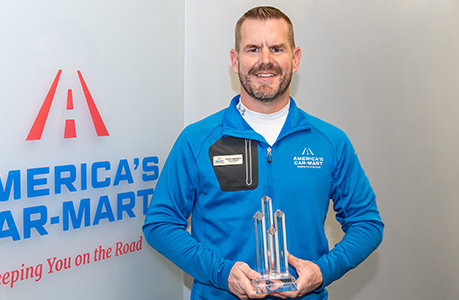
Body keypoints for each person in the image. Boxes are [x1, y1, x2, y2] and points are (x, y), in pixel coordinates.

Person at [142, 6, 384, 300]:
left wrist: (323, 272)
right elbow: (160, 223)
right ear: (235, 60)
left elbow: (367, 223)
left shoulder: (330, 142)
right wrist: (222, 273)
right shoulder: (197, 140)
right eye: (253, 49)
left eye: (277, 48)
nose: (265, 60)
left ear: (295, 59)